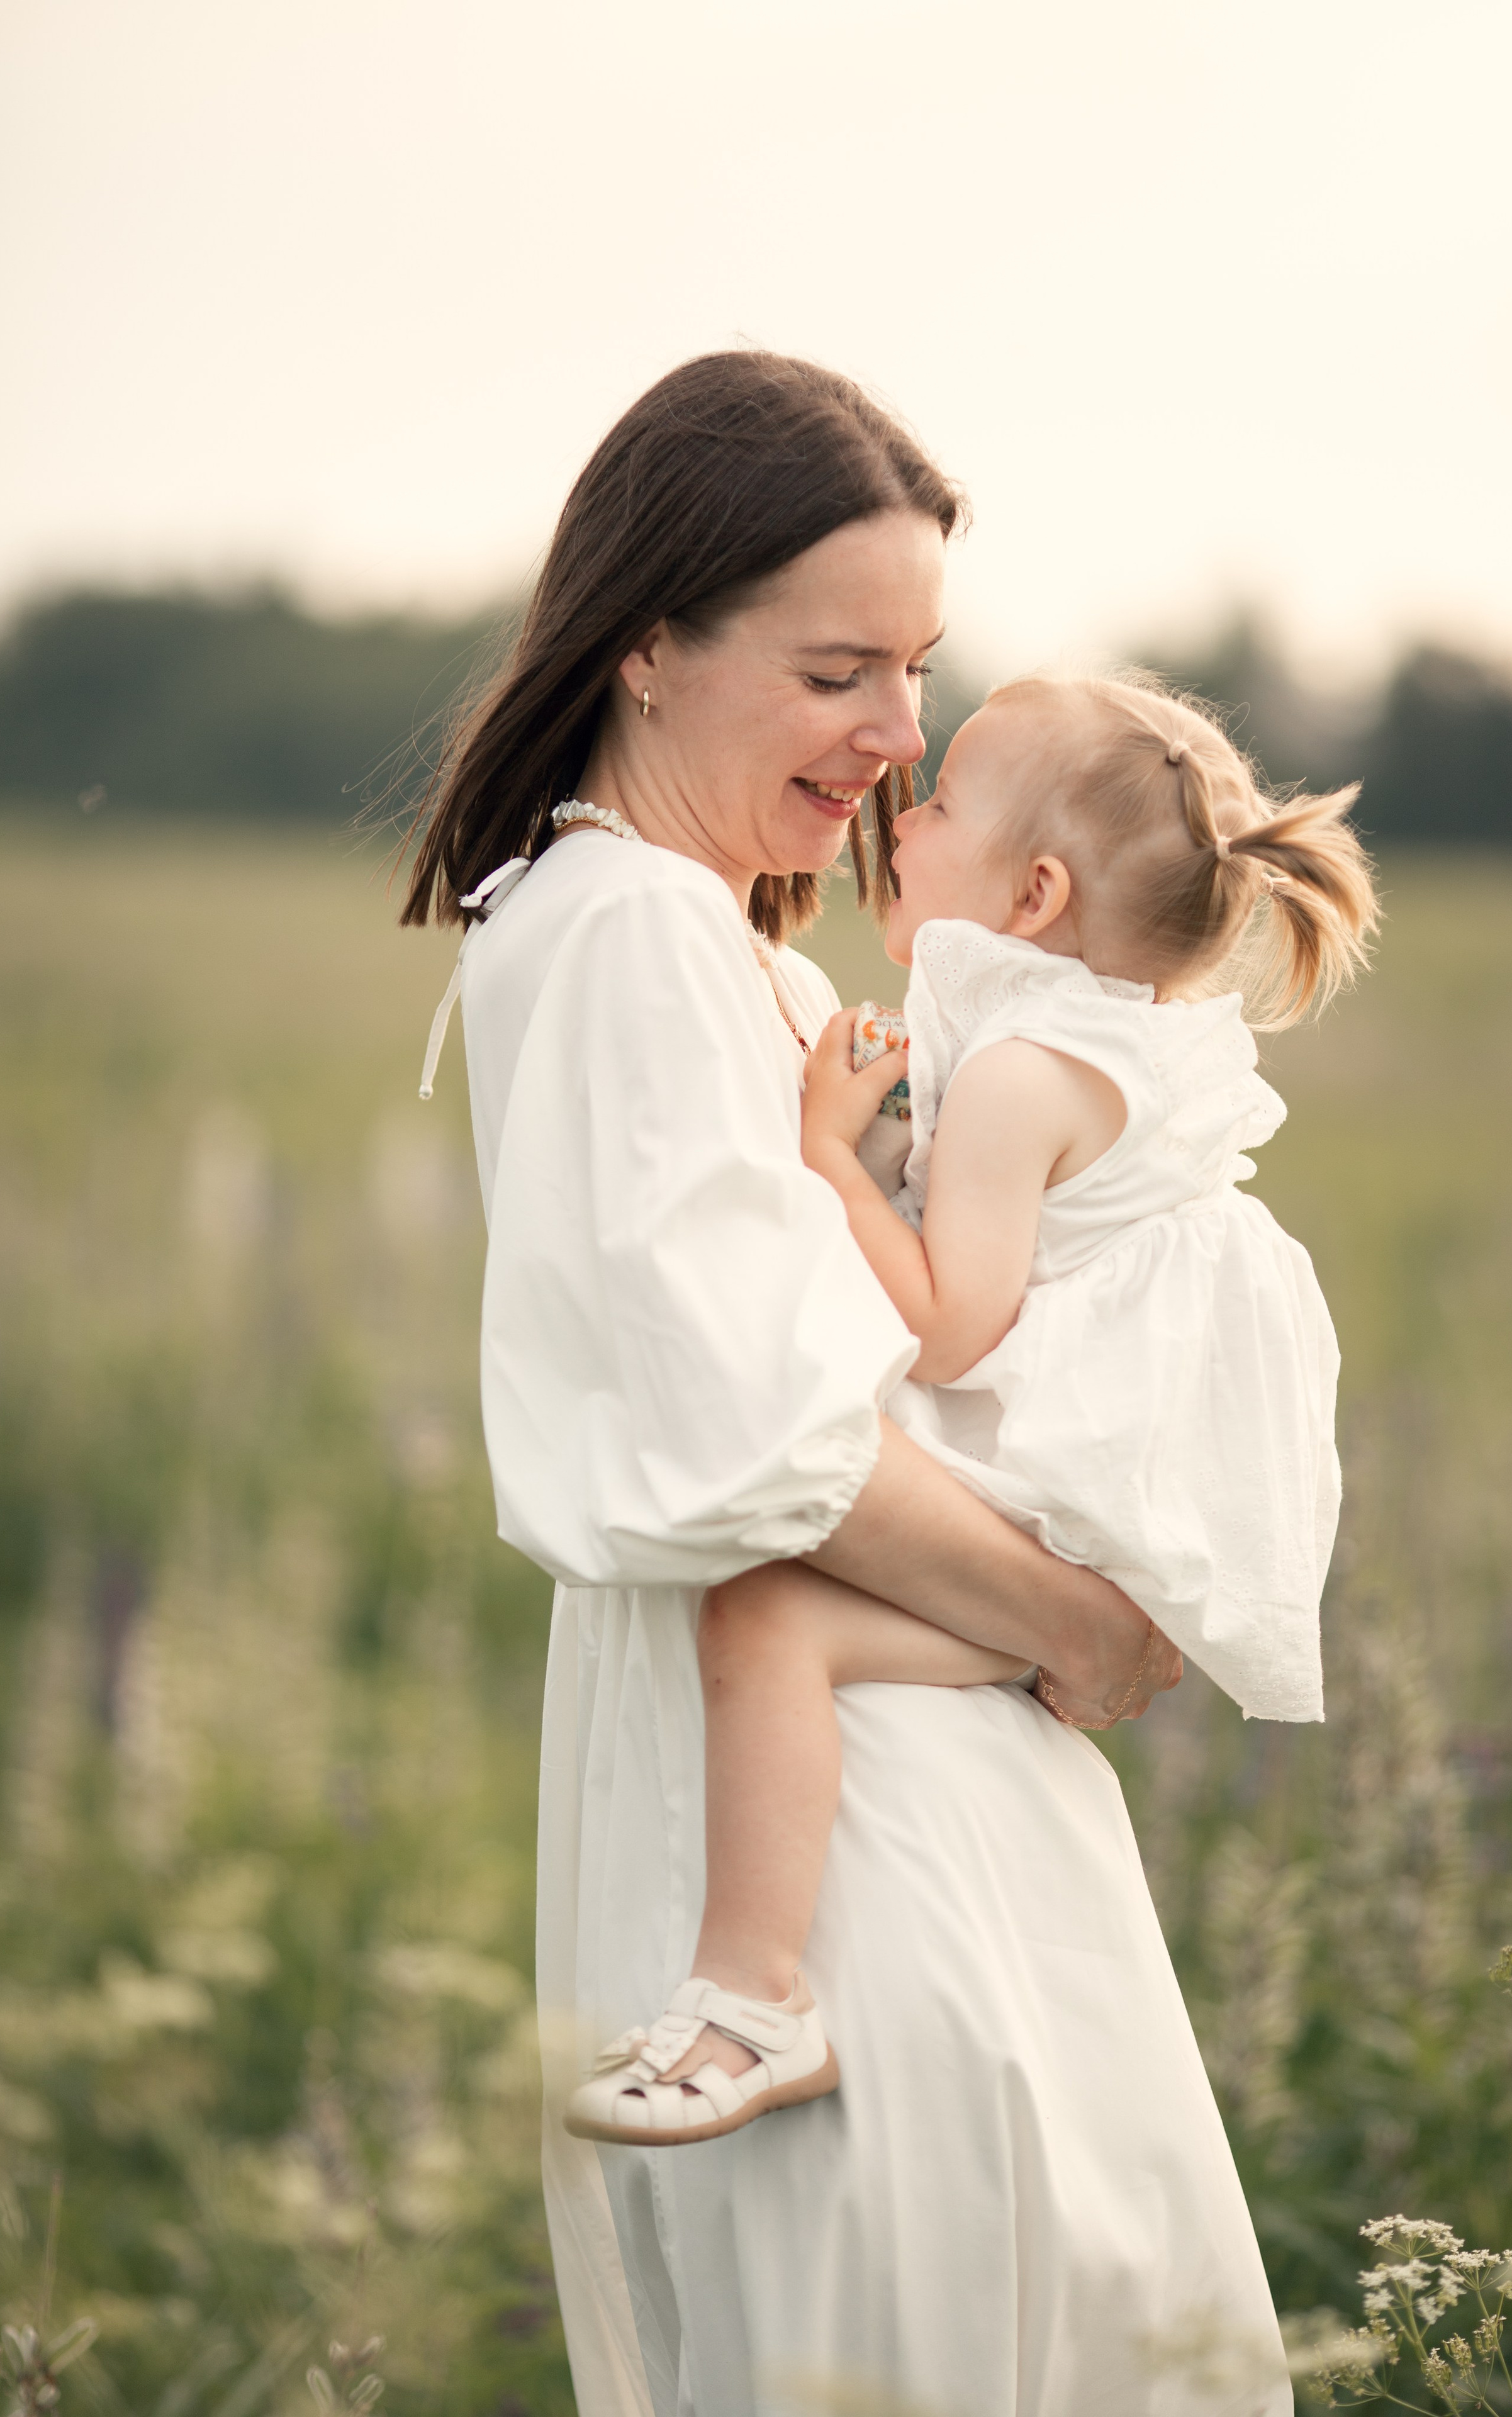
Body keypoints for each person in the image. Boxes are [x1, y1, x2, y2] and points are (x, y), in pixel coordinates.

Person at [404, 351, 1292, 2416]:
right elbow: (766, 1442)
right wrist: (1082, 1621)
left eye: (919, 670)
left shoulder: (722, 943)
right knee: (901, 2329)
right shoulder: (624, 928)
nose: (901, 737)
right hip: (834, 1835)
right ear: (648, 650)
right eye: (837, 673)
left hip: (890, 1744)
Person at [563, 671, 1376, 2153]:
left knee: (760, 1616)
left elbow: (948, 1331)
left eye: (939, 803)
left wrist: (824, 1151)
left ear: (1033, 890)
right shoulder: (1114, 1030)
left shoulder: (1011, 1074)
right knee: (771, 1607)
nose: (902, 797)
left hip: (1073, 1523)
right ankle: (752, 1996)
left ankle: (753, 2001)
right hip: (1107, 1499)